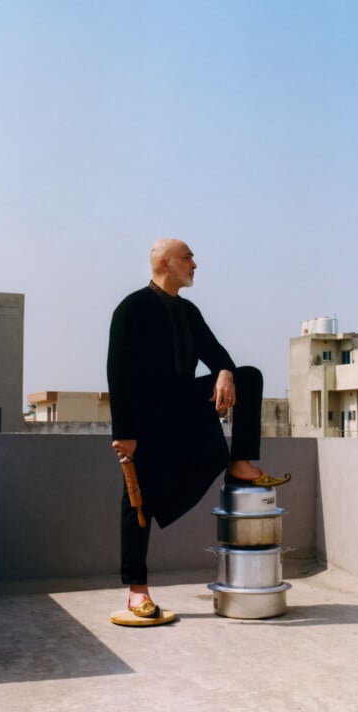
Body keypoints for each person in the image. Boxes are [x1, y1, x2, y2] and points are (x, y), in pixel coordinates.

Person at [107, 238, 290, 619]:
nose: (195, 264)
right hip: (146, 416)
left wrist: (223, 372)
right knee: (137, 500)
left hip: (184, 406)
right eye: (187, 257)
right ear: (164, 262)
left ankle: (239, 462)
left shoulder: (189, 311)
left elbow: (218, 354)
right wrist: (124, 431)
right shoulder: (132, 308)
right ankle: (136, 591)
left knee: (249, 377)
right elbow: (118, 372)